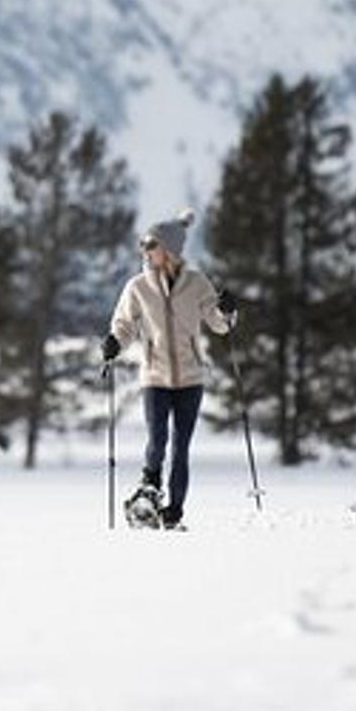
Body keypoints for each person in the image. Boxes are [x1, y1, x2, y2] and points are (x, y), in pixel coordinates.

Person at [101, 208, 236, 530]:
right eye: (144, 244)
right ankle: (149, 488)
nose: (145, 250)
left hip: (191, 378)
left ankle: (173, 512)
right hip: (155, 376)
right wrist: (114, 343)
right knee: (157, 439)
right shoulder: (137, 287)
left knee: (181, 447)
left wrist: (227, 312)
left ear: (170, 249)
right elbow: (124, 325)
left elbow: (219, 326)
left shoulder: (196, 283)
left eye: (151, 244)